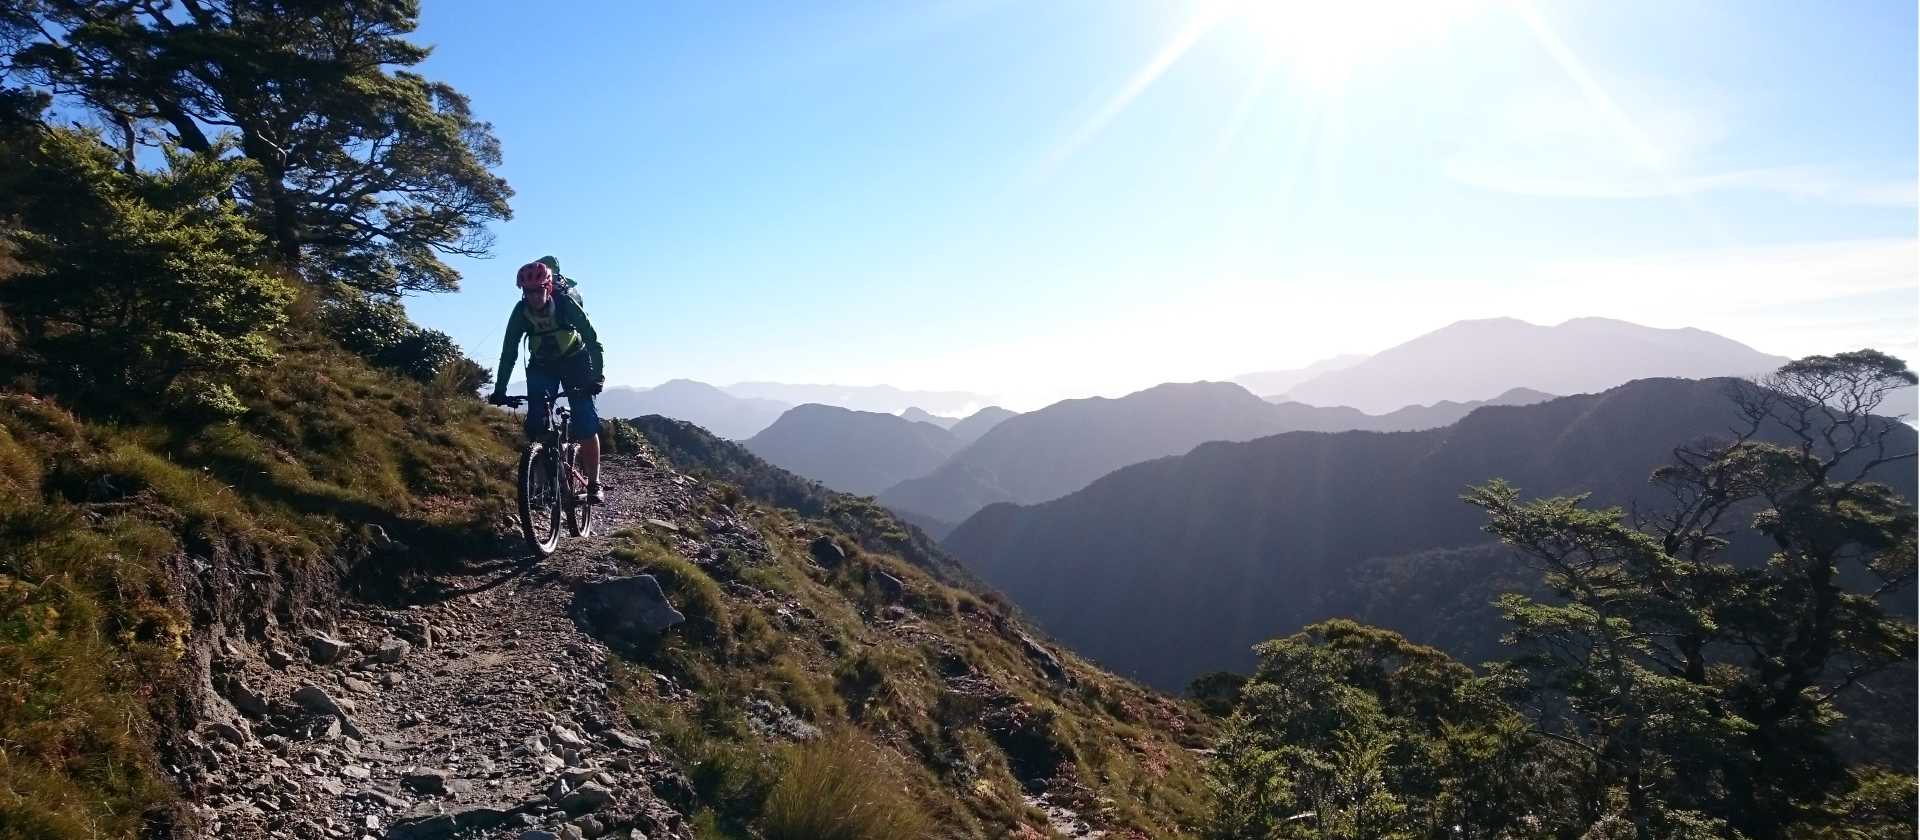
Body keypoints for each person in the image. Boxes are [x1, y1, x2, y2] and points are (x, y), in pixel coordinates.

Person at [489, 261, 607, 503]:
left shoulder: (565, 305)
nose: (533, 297)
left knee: (584, 419)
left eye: (538, 290)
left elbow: (593, 341)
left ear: (548, 287)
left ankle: (594, 484)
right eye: (527, 292)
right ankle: (543, 485)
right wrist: (499, 390)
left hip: (576, 361)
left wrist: (597, 377)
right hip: (543, 365)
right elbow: (509, 352)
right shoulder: (520, 312)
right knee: (536, 423)